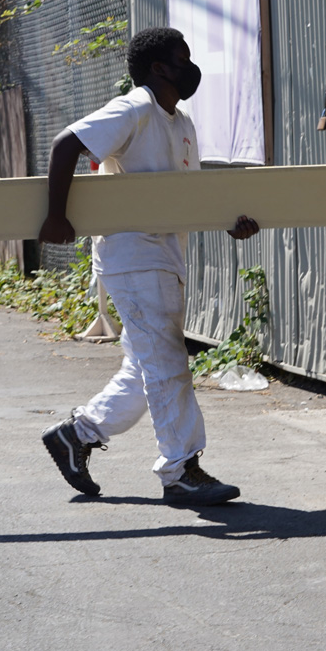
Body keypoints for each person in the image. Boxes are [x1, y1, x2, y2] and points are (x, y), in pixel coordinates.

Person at [38, 28, 260, 508]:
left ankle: (76, 435)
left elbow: (185, 198)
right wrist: (56, 216)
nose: (190, 66)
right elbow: (65, 145)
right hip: (134, 255)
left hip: (163, 256)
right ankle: (181, 471)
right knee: (168, 365)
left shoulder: (180, 123)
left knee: (146, 367)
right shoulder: (134, 108)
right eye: (182, 58)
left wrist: (228, 224)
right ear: (159, 68)